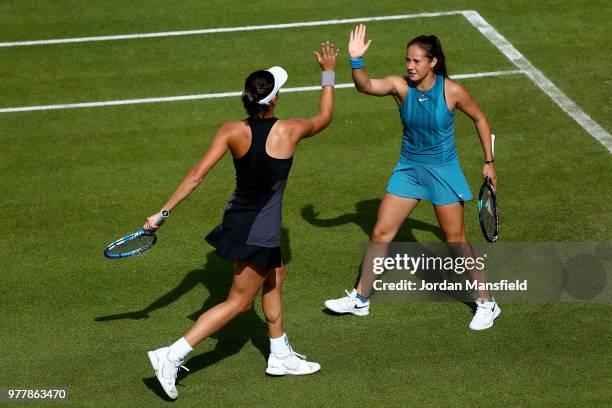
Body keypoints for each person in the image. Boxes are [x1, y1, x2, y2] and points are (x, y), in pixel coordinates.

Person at [143, 41, 339, 400]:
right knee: (238, 303)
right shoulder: (290, 131)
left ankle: (280, 355)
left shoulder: (231, 130)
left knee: (275, 277)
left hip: (239, 219)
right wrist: (328, 72)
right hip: (258, 229)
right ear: (274, 100)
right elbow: (324, 117)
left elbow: (195, 176)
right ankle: (170, 355)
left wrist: (162, 214)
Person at [324, 25, 500, 330]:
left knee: (456, 242)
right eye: (408, 60)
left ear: (432, 62)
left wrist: (489, 161)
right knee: (380, 233)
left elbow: (480, 118)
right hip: (409, 170)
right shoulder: (400, 87)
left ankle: (487, 302)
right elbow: (365, 86)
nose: (410, 66)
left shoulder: (452, 90)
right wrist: (356, 61)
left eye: (417, 61)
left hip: (443, 172)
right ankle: (361, 299)